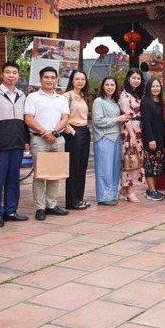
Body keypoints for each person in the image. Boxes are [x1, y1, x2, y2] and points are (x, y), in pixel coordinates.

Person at [0, 61, 30, 227]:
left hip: (17, 145)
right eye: (8, 72)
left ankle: (10, 210)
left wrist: (26, 140)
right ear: (2, 75)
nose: (11, 75)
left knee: (13, 179)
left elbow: (24, 121)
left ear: (18, 76)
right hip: (0, 147)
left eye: (14, 73)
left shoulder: (22, 95)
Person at [24, 66, 70, 221]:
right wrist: (46, 133)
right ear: (40, 79)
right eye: (46, 77)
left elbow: (65, 119)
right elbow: (29, 120)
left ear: (56, 80)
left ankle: (51, 205)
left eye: (52, 77)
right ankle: (40, 207)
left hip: (58, 139)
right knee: (40, 175)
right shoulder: (32, 97)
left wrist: (54, 132)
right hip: (39, 140)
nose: (49, 80)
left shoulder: (61, 99)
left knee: (54, 173)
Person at [92, 77, 131, 205]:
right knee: (104, 169)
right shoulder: (98, 101)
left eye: (112, 85)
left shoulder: (115, 102)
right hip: (103, 138)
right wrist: (117, 119)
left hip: (116, 138)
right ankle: (103, 197)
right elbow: (98, 121)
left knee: (114, 169)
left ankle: (112, 195)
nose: (110, 87)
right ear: (103, 86)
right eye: (107, 84)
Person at [63, 69, 91, 210]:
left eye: (83, 79)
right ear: (72, 80)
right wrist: (71, 131)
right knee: (73, 167)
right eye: (77, 79)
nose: (80, 81)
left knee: (82, 167)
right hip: (73, 133)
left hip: (84, 131)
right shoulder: (67, 96)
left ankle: (79, 198)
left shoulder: (82, 95)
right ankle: (71, 201)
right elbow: (61, 116)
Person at [118, 68, 145, 202]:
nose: (136, 80)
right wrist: (132, 136)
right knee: (129, 158)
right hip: (129, 130)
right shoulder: (124, 95)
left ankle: (125, 189)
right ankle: (129, 190)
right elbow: (127, 116)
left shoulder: (135, 95)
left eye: (138, 78)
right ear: (128, 79)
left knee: (136, 158)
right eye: (134, 78)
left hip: (138, 128)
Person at [140, 78, 165, 201]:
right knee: (150, 164)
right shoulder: (145, 102)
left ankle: (152, 189)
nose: (155, 88)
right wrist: (150, 139)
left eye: (157, 86)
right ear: (148, 88)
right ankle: (152, 190)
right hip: (150, 137)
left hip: (160, 136)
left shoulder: (161, 101)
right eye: (153, 86)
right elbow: (146, 123)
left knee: (158, 164)